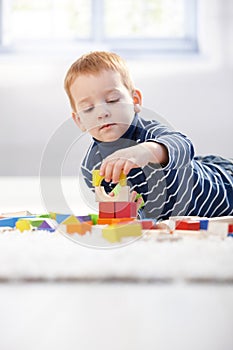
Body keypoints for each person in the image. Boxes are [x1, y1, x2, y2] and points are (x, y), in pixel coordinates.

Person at [64, 51, 233, 221]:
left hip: (222, 189)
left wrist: (145, 151)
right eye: (88, 108)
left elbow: (183, 146)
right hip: (175, 218)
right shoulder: (92, 167)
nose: (102, 112)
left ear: (135, 101)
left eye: (113, 100)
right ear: (79, 120)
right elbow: (135, 217)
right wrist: (125, 211)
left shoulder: (148, 132)